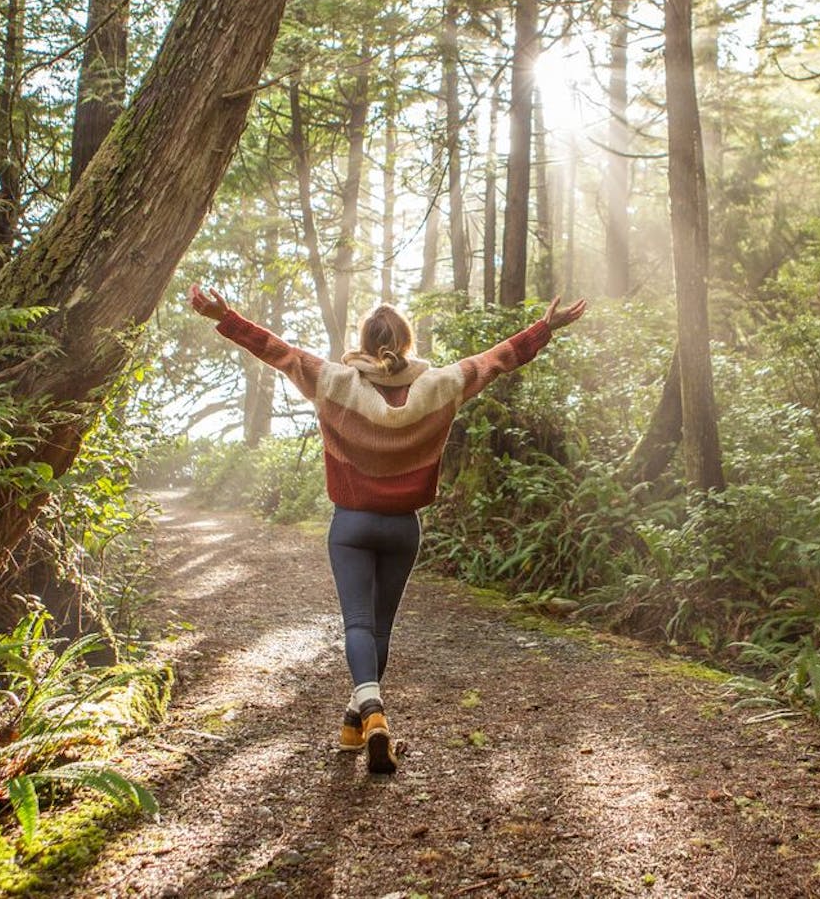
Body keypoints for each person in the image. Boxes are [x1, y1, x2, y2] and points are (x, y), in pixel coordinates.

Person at [188, 284, 587, 774]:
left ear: (365, 339)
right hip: (403, 529)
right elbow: (496, 360)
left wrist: (225, 316)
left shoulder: (333, 381)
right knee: (379, 627)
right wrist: (545, 328)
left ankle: (372, 712)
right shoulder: (440, 384)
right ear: (407, 342)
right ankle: (356, 723)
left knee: (357, 624)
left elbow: (276, 351)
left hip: (351, 525)